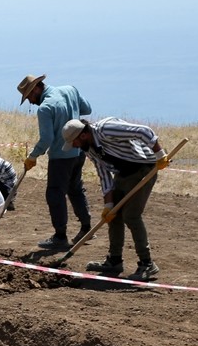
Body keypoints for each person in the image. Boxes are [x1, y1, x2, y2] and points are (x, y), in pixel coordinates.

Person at [62, 117, 170, 281]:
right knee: (113, 215)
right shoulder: (89, 149)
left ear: (82, 135)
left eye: (74, 142)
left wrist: (160, 155)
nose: (74, 146)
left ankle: (147, 264)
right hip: (123, 173)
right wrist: (109, 204)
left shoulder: (106, 129)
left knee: (131, 216)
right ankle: (114, 261)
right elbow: (104, 174)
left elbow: (144, 131)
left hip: (144, 168)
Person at [17, 73, 93, 250]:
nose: (30, 101)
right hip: (79, 152)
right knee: (75, 189)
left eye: (29, 96)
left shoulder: (45, 108)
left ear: (37, 87)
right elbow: (87, 109)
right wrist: (70, 113)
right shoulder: (70, 90)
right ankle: (86, 228)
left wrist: (33, 156)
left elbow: (46, 139)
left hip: (61, 158)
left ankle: (60, 237)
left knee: (55, 194)